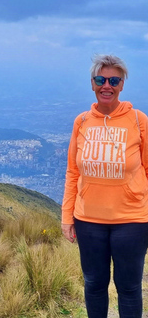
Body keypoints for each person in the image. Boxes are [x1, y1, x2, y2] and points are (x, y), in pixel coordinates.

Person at [61, 54, 148, 318]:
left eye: (113, 80)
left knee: (129, 287)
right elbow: (72, 172)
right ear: (92, 84)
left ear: (122, 85)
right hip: (88, 220)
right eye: (100, 79)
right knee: (94, 284)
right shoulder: (82, 122)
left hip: (132, 219)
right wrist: (67, 217)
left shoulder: (138, 120)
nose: (106, 85)